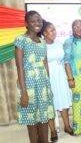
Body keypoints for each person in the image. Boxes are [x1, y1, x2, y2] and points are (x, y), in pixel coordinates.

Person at [14, 10, 55, 143]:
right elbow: (19, 67)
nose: (37, 23)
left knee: (43, 117)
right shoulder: (21, 40)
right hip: (29, 85)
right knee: (32, 120)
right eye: (33, 21)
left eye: (39, 20)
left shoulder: (42, 42)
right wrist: (24, 93)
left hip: (43, 84)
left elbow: (45, 63)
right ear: (26, 23)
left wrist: (48, 86)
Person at [41, 21, 73, 141]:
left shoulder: (59, 43)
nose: (54, 32)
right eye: (51, 30)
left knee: (64, 101)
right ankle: (53, 131)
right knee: (51, 103)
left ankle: (67, 126)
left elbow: (65, 62)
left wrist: (69, 77)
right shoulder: (41, 45)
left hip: (61, 75)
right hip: (49, 76)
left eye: (55, 29)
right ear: (44, 33)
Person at [63, 19, 81, 135]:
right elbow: (66, 62)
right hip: (77, 76)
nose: (79, 28)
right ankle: (79, 128)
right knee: (79, 101)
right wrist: (70, 78)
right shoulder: (69, 42)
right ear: (72, 28)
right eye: (76, 26)